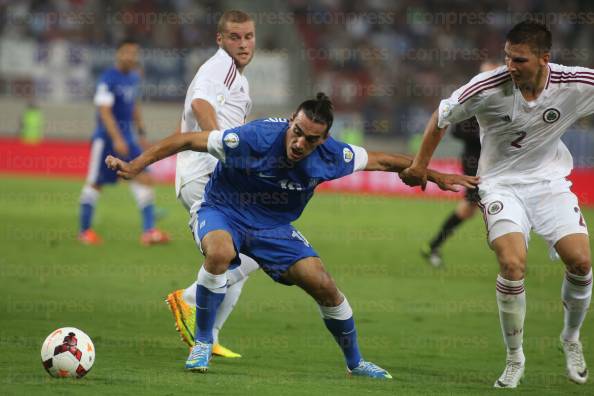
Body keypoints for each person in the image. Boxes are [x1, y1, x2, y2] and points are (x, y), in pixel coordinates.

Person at [106, 93, 478, 378]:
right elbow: (186, 140)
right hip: (224, 208)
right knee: (218, 253)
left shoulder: (334, 155)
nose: (299, 142)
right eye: (296, 132)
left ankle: (356, 363)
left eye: (311, 139)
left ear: (324, 140)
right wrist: (136, 164)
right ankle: (202, 343)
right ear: (290, 123)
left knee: (325, 285)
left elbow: (384, 160)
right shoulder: (252, 138)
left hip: (274, 228)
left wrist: (432, 173)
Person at [400, 21, 592, 388]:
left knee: (581, 261)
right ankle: (514, 357)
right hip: (501, 184)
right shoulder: (487, 87)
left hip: (549, 183)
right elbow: (441, 116)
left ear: (544, 59)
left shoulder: (576, 82)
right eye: (507, 57)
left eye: (519, 59)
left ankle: (570, 337)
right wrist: (420, 165)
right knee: (512, 264)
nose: (510, 66)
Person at [164, 10, 259, 358]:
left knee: (246, 252)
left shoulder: (236, 77)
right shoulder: (220, 67)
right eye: (235, 37)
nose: (243, 44)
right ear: (221, 39)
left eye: (248, 36)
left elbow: (187, 119)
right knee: (253, 247)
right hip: (207, 176)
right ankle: (189, 299)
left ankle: (210, 334)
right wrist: (222, 147)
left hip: (205, 175)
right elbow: (201, 104)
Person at [78, 38, 169, 246]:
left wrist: (141, 132)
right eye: (126, 52)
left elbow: (133, 105)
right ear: (118, 54)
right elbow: (104, 111)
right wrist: (117, 138)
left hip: (129, 139)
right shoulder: (107, 79)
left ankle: (149, 231)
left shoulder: (134, 78)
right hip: (107, 140)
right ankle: (84, 232)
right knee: (96, 183)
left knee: (144, 178)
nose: (131, 57)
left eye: (134, 53)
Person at [421, 61, 500, 267]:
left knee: (473, 206)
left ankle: (433, 245)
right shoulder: (473, 99)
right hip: (474, 161)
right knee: (480, 205)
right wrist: (484, 136)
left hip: (494, 161)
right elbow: (455, 130)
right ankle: (510, 255)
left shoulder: (503, 99)